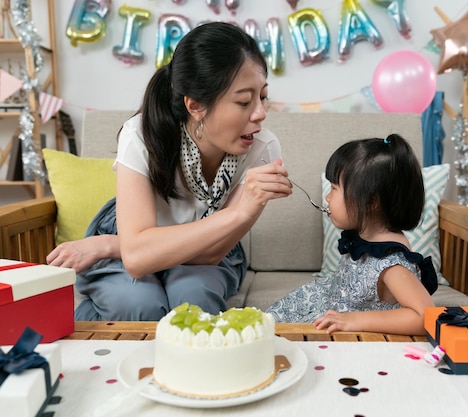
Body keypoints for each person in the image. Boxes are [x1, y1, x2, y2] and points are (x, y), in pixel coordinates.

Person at [47, 22, 293, 321]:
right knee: (136, 303)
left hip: (200, 249)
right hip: (130, 235)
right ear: (196, 106)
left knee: (194, 300)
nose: (260, 113)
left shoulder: (262, 150)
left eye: (262, 96)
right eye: (244, 101)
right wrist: (237, 213)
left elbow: (213, 253)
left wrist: (109, 248)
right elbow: (137, 259)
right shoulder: (141, 135)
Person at [266, 134, 438, 336]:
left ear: (371, 201)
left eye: (334, 189)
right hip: (324, 302)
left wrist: (356, 319)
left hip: (347, 333)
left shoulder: (391, 264)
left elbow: (425, 316)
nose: (327, 198)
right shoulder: (364, 236)